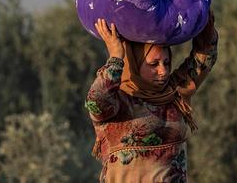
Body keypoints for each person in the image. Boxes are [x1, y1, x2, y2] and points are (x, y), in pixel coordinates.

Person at [85, 10, 219, 182]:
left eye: (166, 62)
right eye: (153, 64)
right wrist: (116, 57)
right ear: (134, 63)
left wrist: (202, 16)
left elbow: (205, 55)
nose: (163, 71)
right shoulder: (117, 103)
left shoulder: (175, 94)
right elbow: (95, 101)